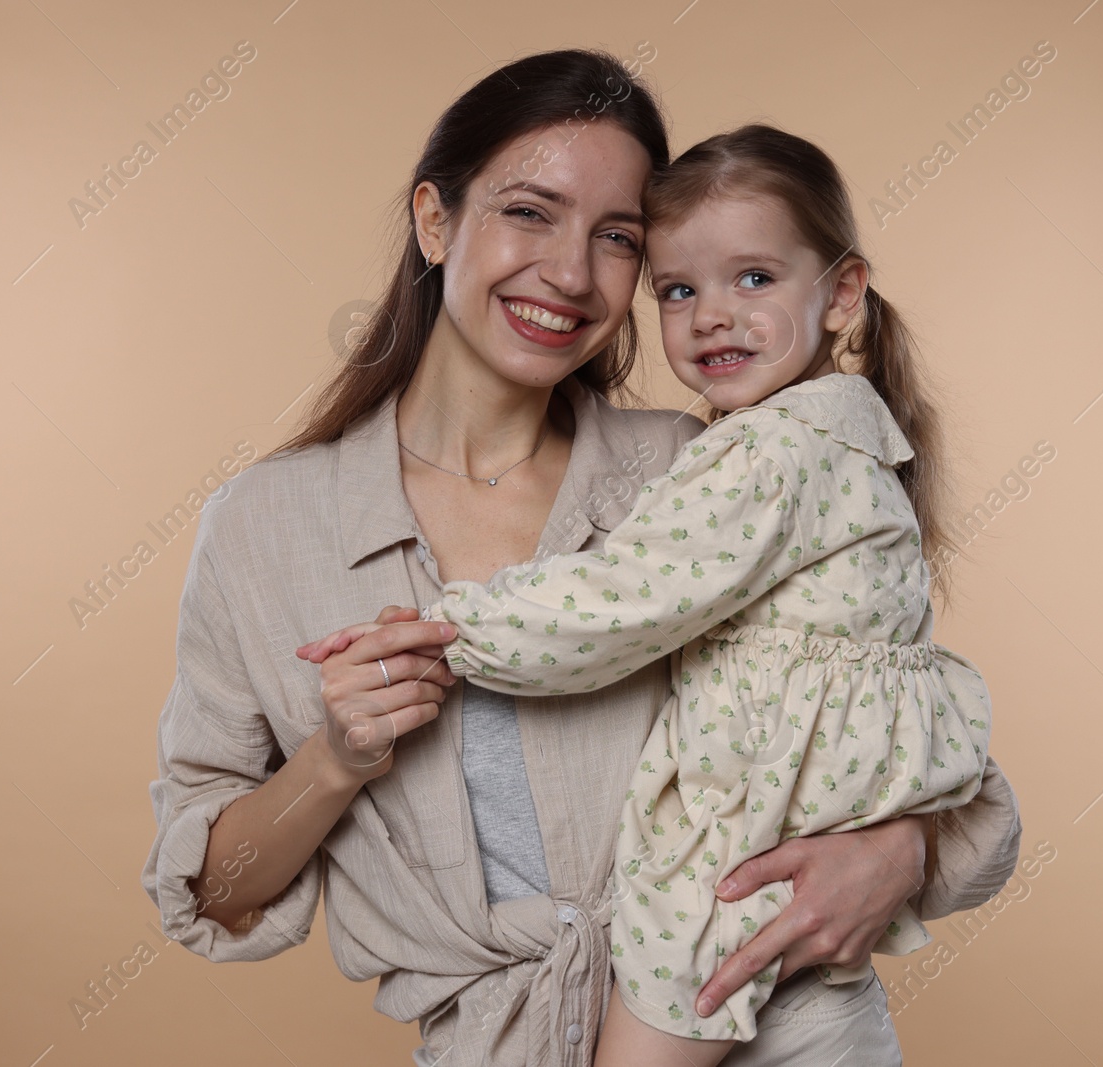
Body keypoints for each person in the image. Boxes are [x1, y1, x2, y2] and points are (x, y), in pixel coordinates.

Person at [142, 50, 1022, 1067]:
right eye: (528, 211)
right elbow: (212, 887)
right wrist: (335, 758)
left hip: (774, 1022)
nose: (568, 273)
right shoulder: (264, 527)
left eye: (615, 238)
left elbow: (899, 735)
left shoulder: (705, 472)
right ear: (436, 222)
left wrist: (897, 852)